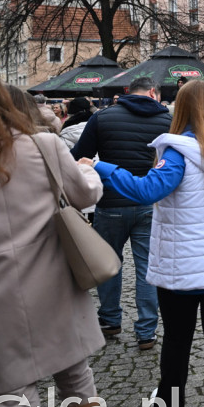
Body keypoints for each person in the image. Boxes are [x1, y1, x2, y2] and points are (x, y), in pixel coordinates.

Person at [93, 80, 204, 407]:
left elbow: (146, 191)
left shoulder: (179, 151)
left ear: (178, 108)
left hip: (183, 267)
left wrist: (104, 167)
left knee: (178, 338)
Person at [0, 71, 106, 407]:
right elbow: (84, 195)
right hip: (52, 284)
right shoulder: (43, 145)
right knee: (78, 379)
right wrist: (87, 171)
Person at [72, 76, 171, 349]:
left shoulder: (103, 118)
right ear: (153, 92)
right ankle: (147, 330)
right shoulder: (167, 121)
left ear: (129, 92)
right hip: (150, 203)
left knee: (108, 263)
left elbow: (80, 155)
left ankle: (110, 319)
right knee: (147, 268)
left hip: (111, 203)